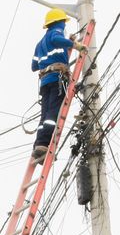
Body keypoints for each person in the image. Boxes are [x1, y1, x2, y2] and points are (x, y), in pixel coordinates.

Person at [31, 8, 86, 163]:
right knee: (53, 113)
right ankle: (44, 144)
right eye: (63, 23)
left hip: (45, 82)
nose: (64, 26)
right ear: (59, 22)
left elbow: (34, 66)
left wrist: (65, 47)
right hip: (57, 79)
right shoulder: (56, 32)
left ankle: (39, 144)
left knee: (45, 114)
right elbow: (56, 39)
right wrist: (75, 45)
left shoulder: (40, 44)